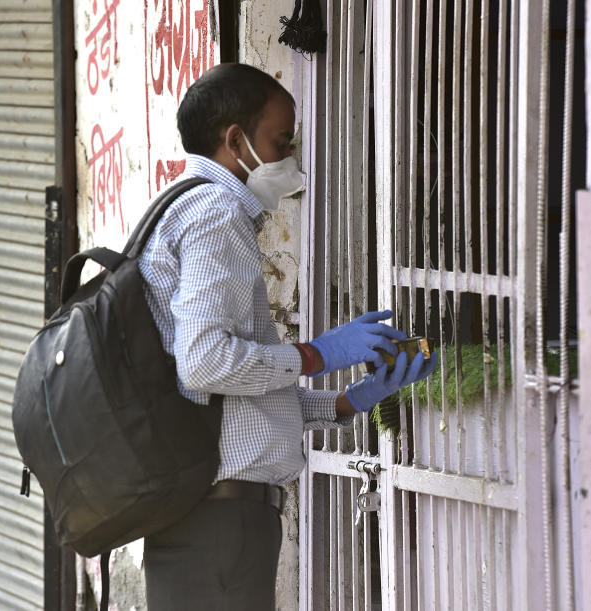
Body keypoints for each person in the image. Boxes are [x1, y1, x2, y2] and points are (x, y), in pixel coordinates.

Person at [138, 62, 437, 610]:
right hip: (219, 525)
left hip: (212, 519)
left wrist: (346, 402)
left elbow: (227, 398)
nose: (291, 158)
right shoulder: (215, 212)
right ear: (236, 141)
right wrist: (316, 353)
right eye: (281, 140)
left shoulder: (186, 206)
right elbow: (204, 364)